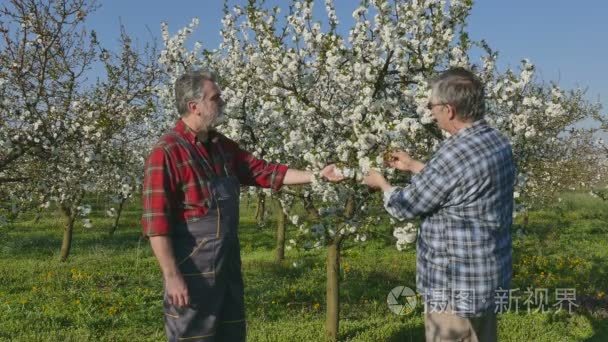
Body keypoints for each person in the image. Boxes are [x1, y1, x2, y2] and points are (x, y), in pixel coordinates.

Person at [141, 70, 343, 341]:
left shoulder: (222, 146)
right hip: (192, 275)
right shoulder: (166, 153)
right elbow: (157, 224)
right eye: (216, 98)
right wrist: (171, 275)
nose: (222, 102)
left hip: (227, 270)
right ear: (194, 107)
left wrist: (317, 175)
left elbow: (264, 171)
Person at [363, 68, 515, 342]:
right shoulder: (496, 141)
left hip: (454, 285)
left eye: (431, 106)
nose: (430, 112)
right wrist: (413, 166)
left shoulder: (453, 153)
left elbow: (405, 206)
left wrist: (382, 184)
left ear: (449, 109)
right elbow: (462, 186)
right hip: (488, 273)